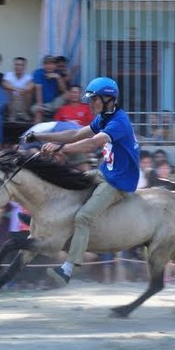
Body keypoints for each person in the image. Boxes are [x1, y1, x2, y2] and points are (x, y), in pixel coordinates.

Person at [28, 77, 140, 286]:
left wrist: (61, 149)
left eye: (93, 99)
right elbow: (75, 133)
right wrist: (40, 137)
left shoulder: (119, 122)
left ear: (108, 99)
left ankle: (69, 268)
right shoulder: (105, 117)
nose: (89, 104)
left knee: (83, 217)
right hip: (105, 172)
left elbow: (91, 144)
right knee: (67, 184)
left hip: (119, 183)